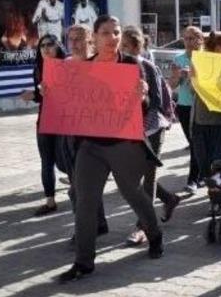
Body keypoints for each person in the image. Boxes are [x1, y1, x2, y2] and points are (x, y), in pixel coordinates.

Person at [59, 15, 163, 282]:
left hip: (122, 143)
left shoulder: (131, 64)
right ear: (94, 37)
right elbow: (68, 101)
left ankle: (154, 235)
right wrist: (49, 93)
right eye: (106, 33)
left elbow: (146, 103)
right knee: (85, 201)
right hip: (91, 145)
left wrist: (143, 95)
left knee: (133, 193)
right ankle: (84, 262)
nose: (113, 37)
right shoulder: (83, 67)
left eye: (116, 32)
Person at [121, 27, 181, 246]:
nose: (123, 50)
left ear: (137, 47)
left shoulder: (147, 67)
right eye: (122, 46)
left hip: (152, 128)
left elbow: (155, 102)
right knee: (133, 178)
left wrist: (139, 101)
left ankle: (143, 227)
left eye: (126, 46)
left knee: (148, 176)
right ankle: (169, 198)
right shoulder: (118, 68)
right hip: (130, 129)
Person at [57, 24, 109, 244]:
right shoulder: (66, 65)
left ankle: (84, 230)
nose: (75, 43)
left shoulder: (102, 64)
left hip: (96, 134)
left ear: (90, 40)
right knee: (78, 185)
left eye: (79, 39)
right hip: (70, 132)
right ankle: (98, 223)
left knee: (81, 188)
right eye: (71, 39)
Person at [19, 33, 67, 216]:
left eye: (50, 45)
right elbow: (42, 96)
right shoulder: (38, 67)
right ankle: (50, 201)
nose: (46, 48)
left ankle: (77, 187)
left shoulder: (67, 66)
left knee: (66, 161)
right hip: (46, 118)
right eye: (42, 46)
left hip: (65, 120)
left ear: (58, 47)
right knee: (46, 161)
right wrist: (33, 95)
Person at [191, 32, 221, 191]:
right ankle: (214, 193)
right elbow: (193, 91)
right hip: (200, 121)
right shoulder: (201, 64)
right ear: (217, 48)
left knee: (218, 163)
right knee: (204, 165)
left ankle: (218, 196)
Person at [170, 26, 203, 194]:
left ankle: (193, 180)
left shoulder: (206, 57)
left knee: (197, 144)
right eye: (186, 39)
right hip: (184, 106)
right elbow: (172, 85)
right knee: (194, 143)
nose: (188, 42)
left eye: (192, 38)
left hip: (203, 106)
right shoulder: (178, 58)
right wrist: (177, 76)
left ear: (200, 40)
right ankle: (200, 176)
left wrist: (194, 75)